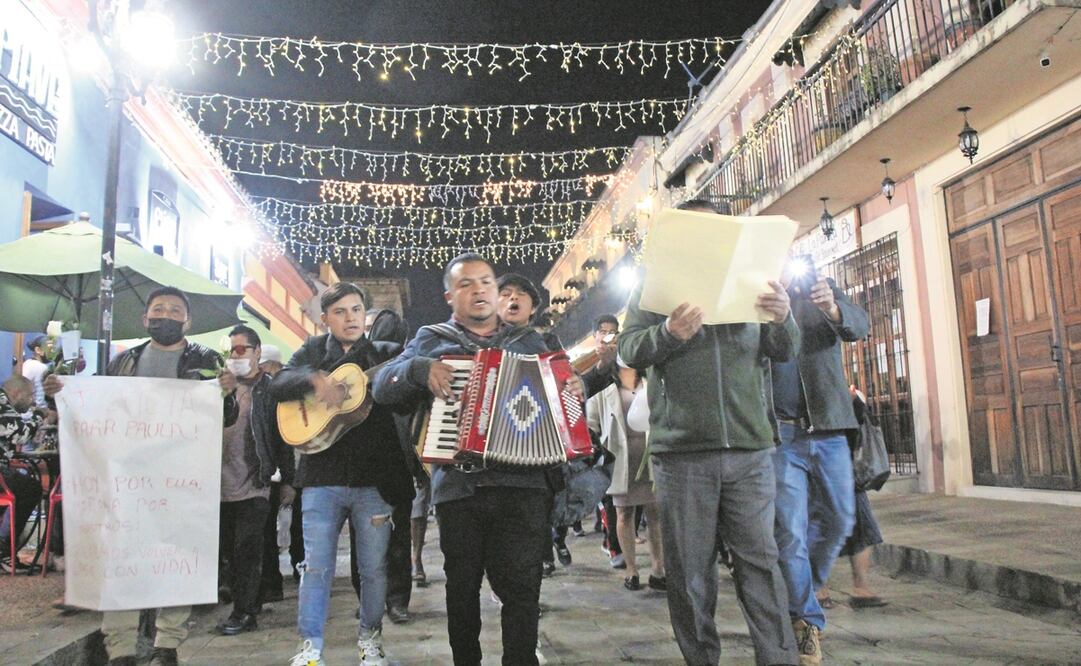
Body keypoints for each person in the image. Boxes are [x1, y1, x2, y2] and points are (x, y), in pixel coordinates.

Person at [372, 253, 583, 666]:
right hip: (460, 486)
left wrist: (572, 389)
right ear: (450, 296)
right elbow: (382, 387)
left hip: (524, 484)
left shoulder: (529, 341)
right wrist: (418, 369)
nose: (479, 290)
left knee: (523, 588)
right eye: (466, 283)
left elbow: (561, 399)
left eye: (486, 281)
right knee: (462, 590)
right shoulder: (432, 340)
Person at [618, 199, 801, 666]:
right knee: (690, 573)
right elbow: (629, 348)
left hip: (749, 448)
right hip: (682, 454)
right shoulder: (652, 284)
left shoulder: (755, 277)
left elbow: (783, 349)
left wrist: (784, 316)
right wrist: (669, 333)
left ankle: (778, 659)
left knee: (761, 565)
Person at [46, 286, 239, 666]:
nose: (165, 315)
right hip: (127, 483)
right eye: (159, 309)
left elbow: (225, 417)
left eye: (174, 310)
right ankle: (120, 648)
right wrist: (59, 392)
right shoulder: (124, 362)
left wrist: (227, 394)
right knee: (120, 560)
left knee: (177, 557)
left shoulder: (205, 360)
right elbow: (96, 407)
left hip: (182, 480)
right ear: (145, 318)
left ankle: (168, 644)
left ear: (188, 320)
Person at [271, 283, 413, 666]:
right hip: (321, 478)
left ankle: (371, 640)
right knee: (315, 566)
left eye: (356, 310)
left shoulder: (387, 354)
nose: (350, 318)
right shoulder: (313, 351)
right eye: (341, 312)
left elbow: (409, 385)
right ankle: (310, 647)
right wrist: (314, 380)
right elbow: (277, 384)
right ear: (325, 319)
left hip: (375, 478)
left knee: (373, 568)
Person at [769, 265, 869, 665]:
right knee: (790, 534)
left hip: (828, 426)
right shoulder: (754, 297)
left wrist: (833, 309)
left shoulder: (818, 289)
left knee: (841, 519)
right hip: (781, 435)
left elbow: (858, 325)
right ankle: (806, 623)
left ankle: (799, 589)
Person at [215, 325, 295, 636]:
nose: (235, 356)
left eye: (241, 350)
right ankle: (248, 600)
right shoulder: (219, 388)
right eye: (230, 350)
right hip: (217, 484)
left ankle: (244, 612)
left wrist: (289, 480)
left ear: (257, 352)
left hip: (256, 483)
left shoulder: (270, 390)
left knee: (247, 549)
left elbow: (283, 438)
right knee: (228, 550)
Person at [586, 358, 665, 592]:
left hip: (650, 456)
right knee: (624, 514)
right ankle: (631, 569)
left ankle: (658, 569)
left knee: (655, 514)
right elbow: (591, 423)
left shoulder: (651, 382)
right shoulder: (605, 389)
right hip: (621, 459)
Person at [0, 375, 48, 571]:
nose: (32, 402)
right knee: (31, 489)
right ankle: (5, 551)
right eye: (29, 396)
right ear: (16, 393)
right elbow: (22, 434)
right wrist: (38, 414)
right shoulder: (2, 403)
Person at [21, 335, 52, 408]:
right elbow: (40, 400)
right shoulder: (41, 367)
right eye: (48, 348)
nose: (51, 351)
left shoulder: (26, 363)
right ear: (38, 350)